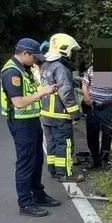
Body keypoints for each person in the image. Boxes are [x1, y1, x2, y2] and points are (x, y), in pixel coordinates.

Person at [0, 38, 61, 217]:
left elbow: (29, 93)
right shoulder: (12, 72)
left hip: (32, 120)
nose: (36, 61)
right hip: (21, 123)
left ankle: (38, 194)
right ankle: (25, 203)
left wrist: (45, 89)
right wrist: (42, 92)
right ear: (25, 53)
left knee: (37, 160)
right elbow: (18, 102)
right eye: (34, 57)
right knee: (26, 162)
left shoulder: (23, 70)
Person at [40, 33, 82, 181]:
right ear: (64, 49)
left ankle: (53, 170)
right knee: (64, 144)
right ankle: (64, 172)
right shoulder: (61, 68)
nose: (71, 54)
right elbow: (66, 92)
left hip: (46, 114)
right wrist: (75, 113)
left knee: (51, 142)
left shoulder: (45, 65)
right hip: (59, 114)